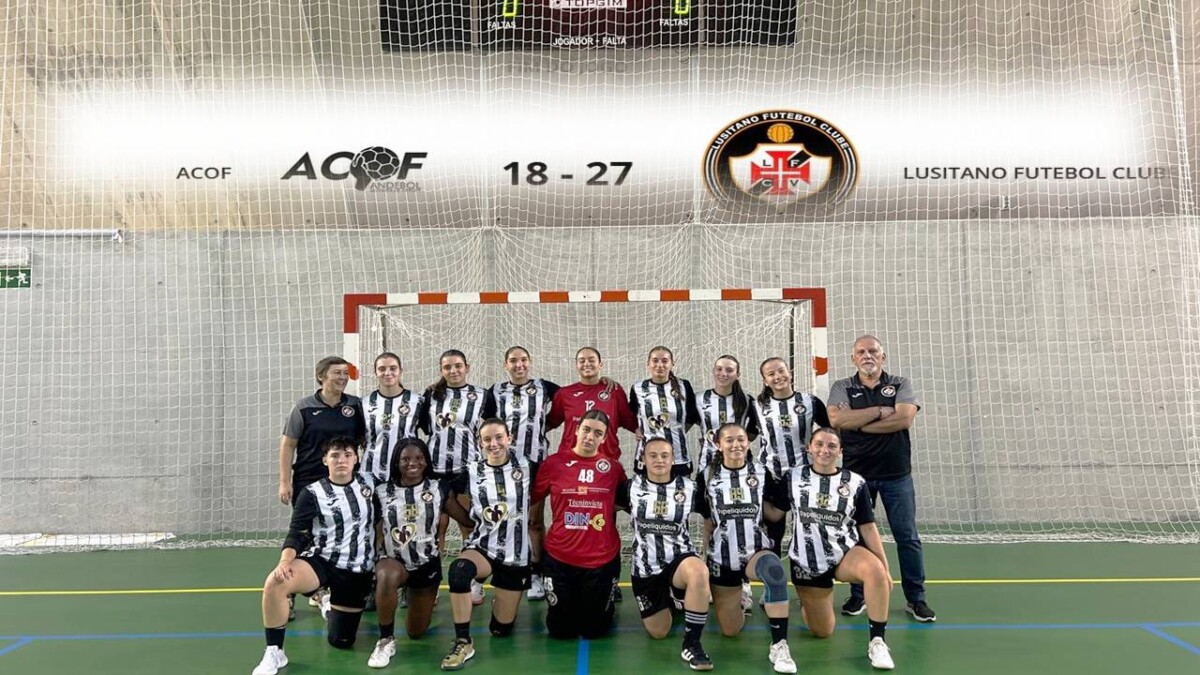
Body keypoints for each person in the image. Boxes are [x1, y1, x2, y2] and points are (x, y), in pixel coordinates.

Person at [766, 428, 896, 670]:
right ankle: (808, 604)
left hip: (845, 553)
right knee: (822, 631)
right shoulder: (793, 478)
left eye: (831, 446)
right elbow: (775, 513)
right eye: (819, 444)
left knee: (875, 572)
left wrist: (885, 568)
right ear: (809, 448)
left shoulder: (855, 482)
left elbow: (867, 528)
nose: (825, 450)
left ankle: (877, 642)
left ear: (840, 451)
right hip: (807, 561)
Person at [828, 335, 935, 622]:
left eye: (873, 351)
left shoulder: (900, 384)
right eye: (861, 352)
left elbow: (903, 419)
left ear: (882, 356)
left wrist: (858, 424)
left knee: (907, 537)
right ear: (853, 358)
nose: (867, 355)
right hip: (856, 477)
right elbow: (837, 421)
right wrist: (877, 412)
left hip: (896, 475)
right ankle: (858, 595)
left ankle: (916, 598)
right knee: (855, 537)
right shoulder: (842, 386)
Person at [252, 437, 375, 675]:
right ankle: (274, 651)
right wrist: (285, 560)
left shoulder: (371, 484)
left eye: (347, 455)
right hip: (322, 561)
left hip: (355, 570)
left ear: (356, 459)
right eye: (335, 455)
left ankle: (328, 603)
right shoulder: (312, 493)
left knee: (341, 641)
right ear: (325, 460)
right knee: (276, 582)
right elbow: (297, 531)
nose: (342, 460)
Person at [696, 423, 796, 674]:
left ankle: (780, 645)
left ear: (748, 442)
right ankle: (738, 595)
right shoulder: (707, 475)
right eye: (729, 440)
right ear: (718, 444)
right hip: (722, 557)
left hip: (755, 551)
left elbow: (775, 512)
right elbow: (708, 522)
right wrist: (703, 556)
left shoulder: (761, 473)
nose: (736, 445)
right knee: (730, 630)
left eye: (741, 439)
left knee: (774, 573)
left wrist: (784, 505)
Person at [368, 438, 472, 669]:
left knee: (416, 632)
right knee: (386, 575)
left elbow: (464, 518)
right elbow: (374, 531)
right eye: (405, 459)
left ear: (426, 461)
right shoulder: (382, 492)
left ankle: (410, 596)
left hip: (426, 566)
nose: (412, 463)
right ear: (396, 462)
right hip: (394, 563)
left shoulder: (439, 488)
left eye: (418, 458)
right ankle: (385, 639)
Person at [439, 419, 534, 670]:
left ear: (509, 438)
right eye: (487, 439)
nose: (494, 444)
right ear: (480, 443)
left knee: (501, 630)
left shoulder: (527, 467)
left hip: (516, 555)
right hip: (482, 546)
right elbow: (444, 494)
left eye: (499, 437)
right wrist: (466, 520)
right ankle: (463, 641)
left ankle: (499, 601)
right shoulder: (471, 471)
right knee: (458, 572)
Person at [278, 356, 366, 619]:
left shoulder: (355, 406)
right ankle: (289, 591)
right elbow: (288, 444)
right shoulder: (303, 407)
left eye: (345, 373)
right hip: (309, 481)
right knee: (305, 536)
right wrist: (284, 481)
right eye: (336, 373)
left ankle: (323, 590)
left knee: (338, 534)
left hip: (343, 484)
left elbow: (363, 442)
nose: (342, 377)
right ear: (321, 377)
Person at [617, 438, 713, 671]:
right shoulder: (630, 487)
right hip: (645, 567)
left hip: (679, 559)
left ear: (672, 459)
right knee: (659, 632)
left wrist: (707, 552)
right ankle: (674, 599)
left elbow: (709, 519)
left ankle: (692, 644)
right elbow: (607, 512)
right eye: (653, 455)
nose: (659, 460)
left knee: (699, 572)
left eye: (664, 455)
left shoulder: (689, 489)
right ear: (643, 459)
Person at [532, 410, 627, 639]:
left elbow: (622, 502)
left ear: (604, 438)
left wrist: (595, 510)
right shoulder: (553, 464)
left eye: (598, 433)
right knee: (562, 631)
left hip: (600, 559)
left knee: (595, 630)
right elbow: (533, 498)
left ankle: (606, 596)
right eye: (586, 429)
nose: (590, 437)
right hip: (559, 557)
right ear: (576, 430)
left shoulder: (613, 469)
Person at [418, 349, 496, 605]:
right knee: (433, 529)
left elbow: (491, 427)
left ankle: (471, 581)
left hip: (466, 470)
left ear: (467, 367)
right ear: (442, 370)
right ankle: (428, 583)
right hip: (435, 471)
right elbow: (426, 429)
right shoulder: (431, 395)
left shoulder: (482, 395)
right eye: (447, 367)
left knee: (467, 525)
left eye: (458, 366)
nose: (453, 371)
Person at [488, 346, 559, 601]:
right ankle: (506, 572)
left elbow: (569, 403)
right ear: (505, 364)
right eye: (513, 361)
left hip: (537, 463)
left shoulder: (546, 387)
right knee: (505, 519)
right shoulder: (495, 392)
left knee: (534, 521)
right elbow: (486, 425)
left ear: (530, 362)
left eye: (523, 360)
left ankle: (537, 574)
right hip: (505, 466)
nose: (519, 365)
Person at [696, 355, 759, 611]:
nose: (723, 373)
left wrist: (735, 447)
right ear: (713, 370)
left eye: (729, 370)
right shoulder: (699, 399)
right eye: (719, 368)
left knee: (741, 523)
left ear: (738, 373)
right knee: (710, 523)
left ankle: (743, 582)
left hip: (740, 471)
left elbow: (753, 430)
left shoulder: (747, 402)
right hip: (708, 470)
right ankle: (712, 575)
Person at [752, 357, 830, 563]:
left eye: (781, 371)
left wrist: (817, 447)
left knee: (806, 529)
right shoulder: (757, 406)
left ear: (790, 372)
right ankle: (773, 583)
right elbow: (746, 436)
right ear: (765, 380)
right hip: (770, 474)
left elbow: (830, 432)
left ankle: (808, 577)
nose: (778, 376)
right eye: (771, 374)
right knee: (772, 532)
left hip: (802, 475)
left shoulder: (810, 402)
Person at [546, 346, 638, 462]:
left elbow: (628, 420)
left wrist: (641, 430)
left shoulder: (614, 390)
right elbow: (551, 421)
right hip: (570, 460)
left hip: (605, 460)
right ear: (576, 365)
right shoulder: (564, 394)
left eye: (591, 360)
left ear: (600, 364)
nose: (587, 363)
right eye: (582, 361)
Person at [628, 345, 700, 478]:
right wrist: (636, 429)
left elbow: (693, 416)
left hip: (678, 455)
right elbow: (628, 415)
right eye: (655, 360)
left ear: (672, 363)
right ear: (648, 364)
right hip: (647, 455)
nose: (660, 365)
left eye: (665, 361)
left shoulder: (684, 386)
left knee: (680, 496)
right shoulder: (637, 388)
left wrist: (676, 430)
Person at [361, 352, 425, 487]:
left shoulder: (418, 401)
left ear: (400, 371)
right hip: (372, 471)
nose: (387, 373)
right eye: (382, 369)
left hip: (406, 470)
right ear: (375, 372)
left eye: (393, 368)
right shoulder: (364, 403)